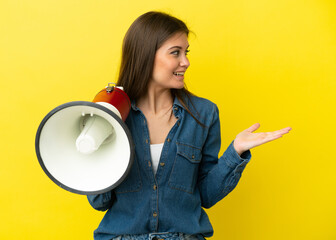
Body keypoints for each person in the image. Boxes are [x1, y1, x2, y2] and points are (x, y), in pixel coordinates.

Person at [87, 11, 291, 240]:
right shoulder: (111, 113)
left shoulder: (204, 114)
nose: (186, 62)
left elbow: (206, 195)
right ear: (145, 55)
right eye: (176, 53)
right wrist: (92, 150)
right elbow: (99, 202)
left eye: (186, 52)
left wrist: (236, 152)